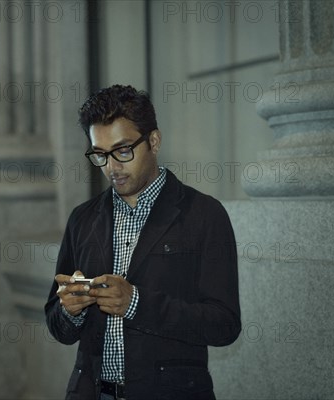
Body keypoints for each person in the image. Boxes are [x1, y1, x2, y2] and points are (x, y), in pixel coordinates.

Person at [44, 85, 241, 400]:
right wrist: (70, 310)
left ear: (154, 141)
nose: (112, 167)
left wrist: (136, 303)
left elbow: (224, 325)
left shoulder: (204, 214)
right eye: (100, 155)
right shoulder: (82, 218)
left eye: (123, 151)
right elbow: (56, 322)